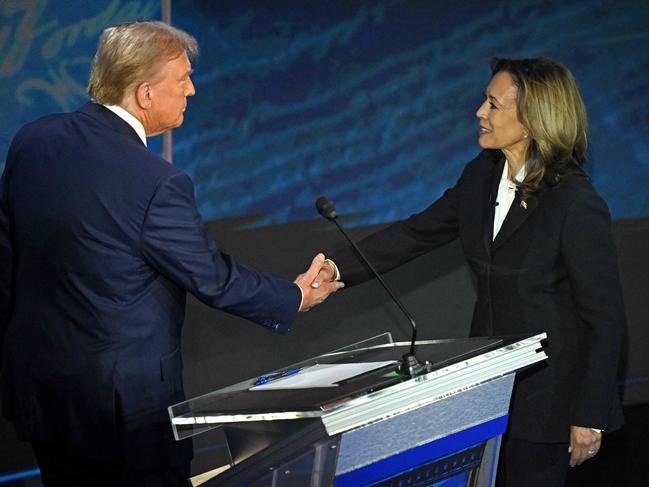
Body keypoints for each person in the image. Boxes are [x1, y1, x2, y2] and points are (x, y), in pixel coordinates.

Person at [0, 21, 342, 487]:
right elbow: (212, 277)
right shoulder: (155, 182)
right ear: (144, 94)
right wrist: (294, 296)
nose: (192, 90)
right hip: (124, 413)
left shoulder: (33, 141)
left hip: (45, 391)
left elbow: (8, 257)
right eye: (182, 79)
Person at [314, 57, 625, 486]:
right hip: (488, 392)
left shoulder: (573, 201)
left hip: (548, 402)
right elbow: (417, 233)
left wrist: (590, 415)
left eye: (493, 104)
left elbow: (605, 319)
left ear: (532, 119)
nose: (480, 112)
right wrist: (335, 268)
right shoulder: (481, 175)